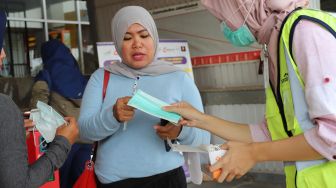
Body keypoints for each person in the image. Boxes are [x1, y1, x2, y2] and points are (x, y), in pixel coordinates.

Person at [163, 0, 336, 187]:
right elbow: (271, 133)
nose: (224, 26)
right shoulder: (278, 41)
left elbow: (332, 136)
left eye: (225, 17)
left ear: (246, 6)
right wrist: (201, 119)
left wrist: (252, 153)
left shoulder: (305, 31)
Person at [78, 6, 210, 188]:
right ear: (117, 42)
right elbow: (85, 131)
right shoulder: (101, 77)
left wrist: (180, 131)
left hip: (167, 180)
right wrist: (112, 116)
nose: (137, 43)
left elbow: (204, 137)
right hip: (114, 182)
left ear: (154, 38)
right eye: (127, 37)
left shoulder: (178, 78)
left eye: (143, 35)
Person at [0, 11, 79, 187]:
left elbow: (37, 104)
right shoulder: (4, 107)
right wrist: (63, 144)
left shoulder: (45, 76)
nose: (4, 54)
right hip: (65, 139)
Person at [30, 39, 92, 188]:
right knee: (82, 182)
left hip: (64, 142)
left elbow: (37, 107)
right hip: (87, 142)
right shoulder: (81, 77)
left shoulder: (46, 75)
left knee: (62, 182)